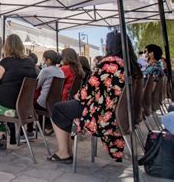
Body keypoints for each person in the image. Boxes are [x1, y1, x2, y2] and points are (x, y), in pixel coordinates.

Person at [48, 31, 141, 163]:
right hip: (118, 111)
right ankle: (66, 150)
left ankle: (64, 152)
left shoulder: (109, 63)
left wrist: (76, 97)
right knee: (66, 109)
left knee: (58, 108)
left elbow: (88, 90)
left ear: (111, 46)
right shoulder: (129, 64)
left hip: (101, 112)